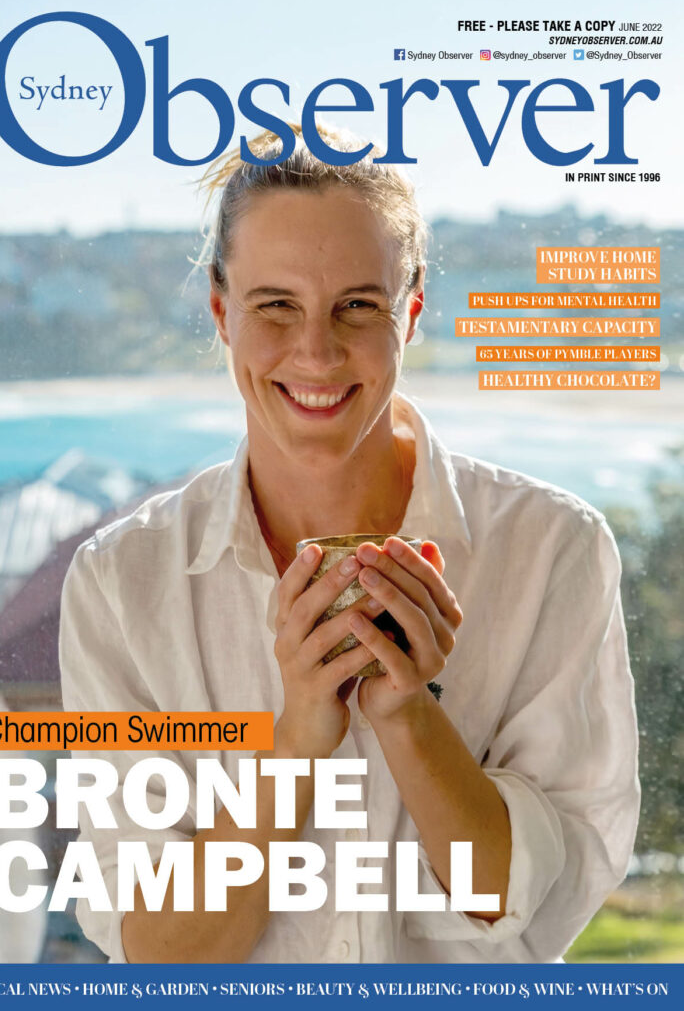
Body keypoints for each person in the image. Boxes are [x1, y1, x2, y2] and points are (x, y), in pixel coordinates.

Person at [60, 125, 639, 964]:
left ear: (411, 307)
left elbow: (527, 904)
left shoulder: (552, 549)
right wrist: (297, 738)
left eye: (358, 305)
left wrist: (407, 715)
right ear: (222, 312)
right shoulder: (122, 582)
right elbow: (161, 956)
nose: (318, 352)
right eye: (276, 306)